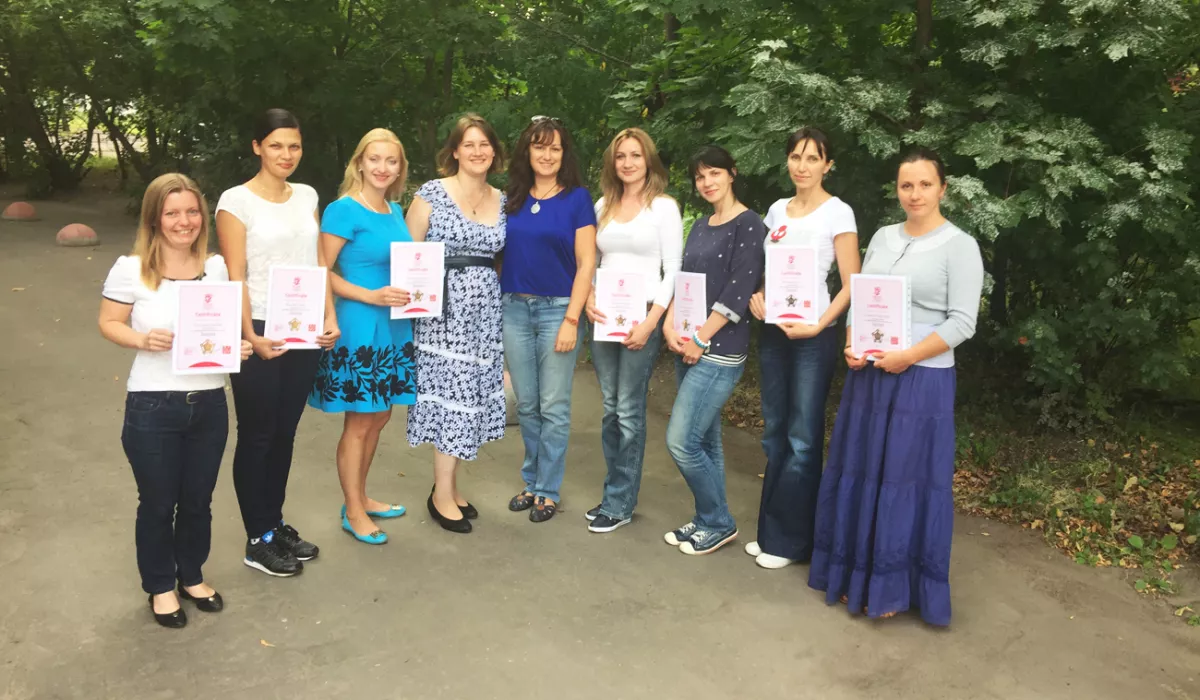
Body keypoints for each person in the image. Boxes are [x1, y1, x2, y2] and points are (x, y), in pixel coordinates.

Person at [807, 148, 983, 626]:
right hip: (869, 374)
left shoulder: (960, 246)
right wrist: (851, 341)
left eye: (925, 184)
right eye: (907, 185)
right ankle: (854, 577)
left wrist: (908, 356)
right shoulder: (884, 237)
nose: (915, 194)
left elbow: (963, 322)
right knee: (863, 472)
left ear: (943, 188)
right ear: (897, 190)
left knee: (904, 480)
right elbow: (863, 298)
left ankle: (892, 588)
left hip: (921, 379)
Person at [98, 173, 253, 628]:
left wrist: (237, 347)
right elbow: (108, 322)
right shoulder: (130, 269)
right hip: (153, 405)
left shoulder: (217, 267)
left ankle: (192, 576)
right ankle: (160, 585)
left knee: (198, 500)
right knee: (158, 502)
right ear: (154, 219)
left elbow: (220, 331)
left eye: (191, 212)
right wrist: (141, 339)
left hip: (209, 402)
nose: (184, 221)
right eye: (172, 213)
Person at [215, 109, 340, 577]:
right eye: (276, 146)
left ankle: (273, 522)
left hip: (302, 325)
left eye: (294, 146)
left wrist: (329, 315)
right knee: (258, 432)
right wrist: (250, 335)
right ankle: (257, 538)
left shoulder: (307, 195)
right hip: (259, 326)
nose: (286, 155)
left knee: (285, 431)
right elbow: (236, 274)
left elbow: (318, 262)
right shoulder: (236, 201)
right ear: (257, 147)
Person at [744, 127, 861, 569]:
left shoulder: (839, 212)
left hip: (814, 335)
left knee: (803, 438)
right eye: (796, 156)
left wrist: (819, 326)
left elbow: (851, 284)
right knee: (775, 431)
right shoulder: (777, 210)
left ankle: (792, 543)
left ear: (828, 165)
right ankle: (771, 532)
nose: (803, 165)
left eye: (813, 158)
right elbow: (767, 271)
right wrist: (758, 295)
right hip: (775, 332)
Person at [309, 128, 417, 545]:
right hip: (360, 324)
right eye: (374, 159)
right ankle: (352, 509)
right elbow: (322, 272)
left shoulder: (395, 209)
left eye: (391, 161)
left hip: (394, 325)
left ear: (400, 168)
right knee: (359, 419)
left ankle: (362, 496)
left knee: (381, 414)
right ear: (359, 163)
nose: (382, 168)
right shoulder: (342, 210)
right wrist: (370, 295)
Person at [406, 113, 507, 534]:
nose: (477, 151)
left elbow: (499, 259)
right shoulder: (432, 193)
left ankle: (448, 486)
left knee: (470, 398)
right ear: (455, 151)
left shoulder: (503, 199)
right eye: (469, 144)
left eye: (485, 144)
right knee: (449, 397)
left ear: (494, 152)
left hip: (483, 317)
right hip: (441, 316)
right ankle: (441, 496)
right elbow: (408, 254)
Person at [662, 146, 765, 555]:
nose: (707, 182)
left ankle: (719, 521)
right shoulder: (702, 225)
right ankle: (708, 519)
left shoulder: (749, 224)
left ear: (732, 174)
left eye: (715, 173)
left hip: (719, 349)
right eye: (700, 176)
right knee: (705, 441)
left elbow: (739, 289)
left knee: (681, 441)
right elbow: (684, 280)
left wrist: (702, 338)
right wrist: (670, 324)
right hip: (688, 341)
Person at [583, 128, 682, 533]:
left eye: (635, 155)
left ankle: (620, 502)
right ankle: (614, 492)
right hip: (606, 316)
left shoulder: (663, 208)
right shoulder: (602, 205)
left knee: (628, 409)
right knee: (610, 407)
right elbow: (589, 260)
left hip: (643, 315)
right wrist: (589, 297)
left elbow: (673, 269)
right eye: (621, 156)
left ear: (648, 160)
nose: (627, 163)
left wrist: (652, 321)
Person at [501, 116, 597, 523]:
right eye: (539, 146)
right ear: (527, 151)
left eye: (555, 148)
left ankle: (548, 489)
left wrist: (572, 319)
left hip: (559, 309)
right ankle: (532, 480)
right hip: (513, 309)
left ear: (564, 154)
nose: (547, 155)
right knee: (527, 404)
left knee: (553, 406)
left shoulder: (577, 199)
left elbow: (587, 262)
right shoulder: (511, 198)